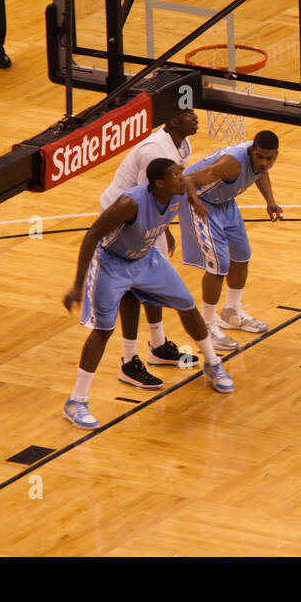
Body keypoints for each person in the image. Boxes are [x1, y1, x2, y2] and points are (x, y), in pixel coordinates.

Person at [61, 158, 234, 429]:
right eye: (175, 175)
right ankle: (76, 401)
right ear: (159, 183)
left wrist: (190, 207)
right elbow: (92, 235)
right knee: (103, 330)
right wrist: (77, 285)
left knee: (187, 304)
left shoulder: (175, 193)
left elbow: (188, 184)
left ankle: (212, 363)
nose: (182, 177)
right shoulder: (129, 204)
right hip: (111, 263)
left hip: (145, 259)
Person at [99, 110, 205, 389]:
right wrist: (163, 230)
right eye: (186, 113)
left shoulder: (182, 144)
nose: (195, 117)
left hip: (147, 216)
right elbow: (143, 199)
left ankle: (157, 346)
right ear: (171, 120)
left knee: (152, 281)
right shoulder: (153, 151)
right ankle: (129, 361)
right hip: (121, 218)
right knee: (134, 288)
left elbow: (165, 194)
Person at [179, 129, 284, 351]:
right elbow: (187, 179)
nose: (264, 162)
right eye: (259, 157)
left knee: (241, 256)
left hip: (225, 203)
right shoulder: (232, 164)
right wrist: (196, 204)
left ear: (276, 155)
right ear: (251, 151)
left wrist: (271, 201)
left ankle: (231, 312)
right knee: (219, 266)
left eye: (269, 158)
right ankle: (206, 324)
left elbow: (261, 173)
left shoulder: (262, 162)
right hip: (201, 202)